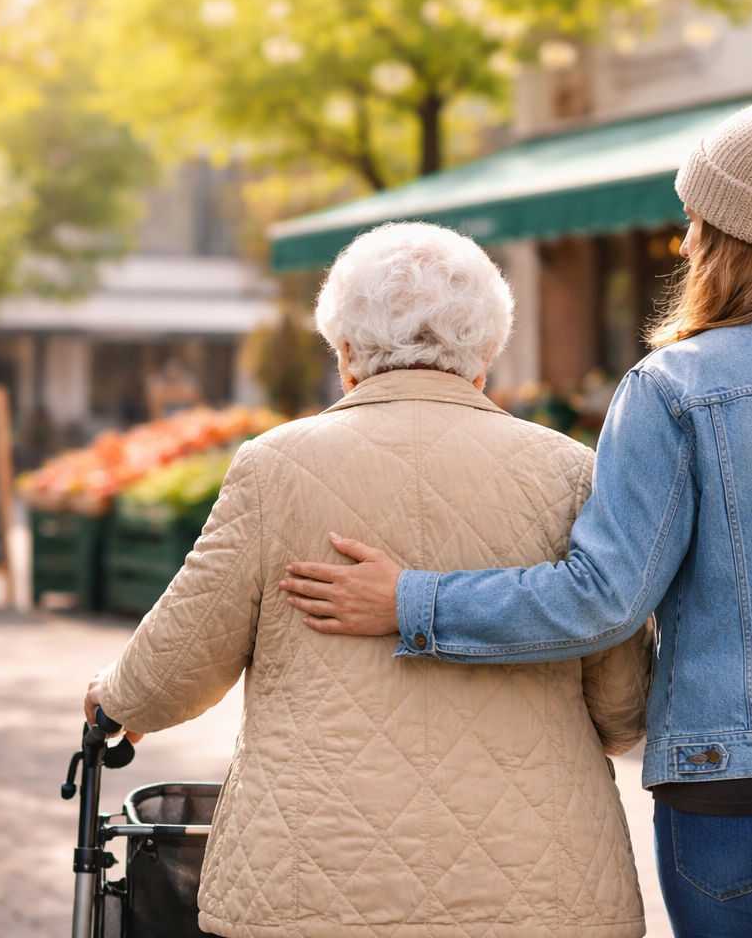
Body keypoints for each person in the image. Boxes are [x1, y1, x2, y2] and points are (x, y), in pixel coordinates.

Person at [280, 97, 752, 938]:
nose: (684, 243)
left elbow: (605, 600)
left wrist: (414, 603)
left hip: (734, 802)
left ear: (733, 237)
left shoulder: (673, 388)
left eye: (696, 222)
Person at [85, 221, 654, 938]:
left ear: (345, 351)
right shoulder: (569, 470)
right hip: (539, 883)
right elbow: (623, 702)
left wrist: (113, 697)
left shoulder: (276, 467)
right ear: (485, 352)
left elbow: (174, 669)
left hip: (312, 878)